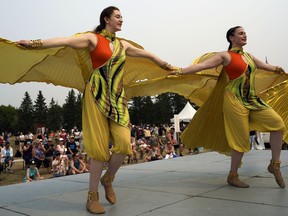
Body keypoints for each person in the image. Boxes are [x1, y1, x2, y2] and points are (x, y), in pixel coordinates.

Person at [15, 6, 173, 214]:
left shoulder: (122, 45)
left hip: (117, 98)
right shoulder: (93, 39)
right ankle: (92, 197)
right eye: (117, 16)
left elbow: (147, 55)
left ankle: (108, 179)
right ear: (106, 19)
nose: (121, 20)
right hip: (96, 95)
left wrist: (166, 65)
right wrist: (34, 44)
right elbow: (64, 41)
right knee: (98, 148)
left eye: (122, 17)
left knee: (125, 143)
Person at [170, 26, 286, 188]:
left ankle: (274, 165)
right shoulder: (225, 56)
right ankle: (233, 175)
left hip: (251, 99)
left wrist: (278, 69)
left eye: (245, 33)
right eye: (240, 33)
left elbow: (267, 67)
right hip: (234, 100)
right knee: (241, 138)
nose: (244, 35)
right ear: (231, 38)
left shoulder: (249, 56)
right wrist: (181, 71)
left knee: (278, 124)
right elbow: (202, 66)